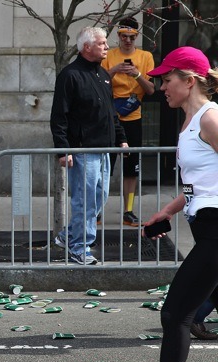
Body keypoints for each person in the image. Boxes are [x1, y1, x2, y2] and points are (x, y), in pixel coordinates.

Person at [113, 46, 218, 362]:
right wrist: (168, 211)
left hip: (216, 233)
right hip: (204, 227)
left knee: (176, 313)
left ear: (190, 81)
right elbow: (199, 182)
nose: (160, 85)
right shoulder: (191, 122)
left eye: (167, 79)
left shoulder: (210, 118)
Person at [50, 27, 128, 265]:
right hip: (82, 150)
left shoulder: (103, 75)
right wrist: (64, 149)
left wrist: (120, 136)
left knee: (99, 198)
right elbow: (59, 115)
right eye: (102, 43)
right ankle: (80, 247)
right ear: (87, 47)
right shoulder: (70, 75)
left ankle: (69, 235)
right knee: (85, 200)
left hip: (103, 149)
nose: (107, 46)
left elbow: (109, 112)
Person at [101, 17, 155, 227]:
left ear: (136, 36)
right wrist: (114, 70)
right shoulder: (109, 55)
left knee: (131, 168)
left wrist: (137, 74)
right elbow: (98, 84)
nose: (127, 40)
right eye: (123, 36)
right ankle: (97, 209)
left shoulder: (145, 56)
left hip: (133, 117)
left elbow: (150, 90)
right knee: (105, 165)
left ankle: (128, 211)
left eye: (131, 37)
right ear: (118, 36)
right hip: (111, 117)